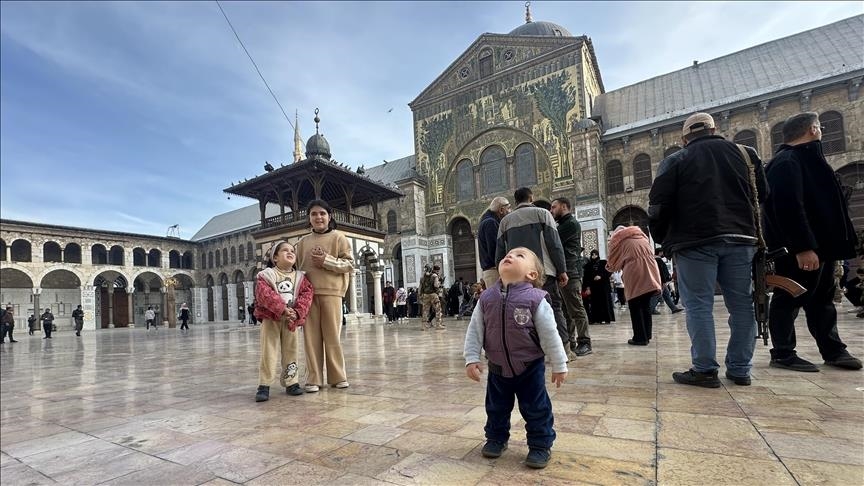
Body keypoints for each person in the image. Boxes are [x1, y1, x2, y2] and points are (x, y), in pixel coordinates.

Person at [649, 112, 766, 388]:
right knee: (741, 304)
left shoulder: (676, 159)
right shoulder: (745, 154)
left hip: (694, 242)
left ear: (684, 138)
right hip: (740, 237)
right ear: (715, 130)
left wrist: (663, 239)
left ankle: (704, 369)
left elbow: (657, 206)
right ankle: (740, 369)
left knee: (698, 305)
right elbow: (763, 194)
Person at [762, 112, 862, 371]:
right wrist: (802, 247)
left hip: (822, 247)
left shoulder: (809, 161)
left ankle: (833, 349)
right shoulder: (786, 162)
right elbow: (788, 208)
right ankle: (783, 352)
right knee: (789, 297)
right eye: (820, 127)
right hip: (799, 250)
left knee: (822, 299)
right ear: (813, 130)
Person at [464, 247, 567, 470]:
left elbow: (550, 335)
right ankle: (496, 438)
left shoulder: (535, 299)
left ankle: (540, 444)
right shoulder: (486, 298)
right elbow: (475, 330)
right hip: (498, 367)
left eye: (520, 255)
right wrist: (471, 358)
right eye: (507, 255)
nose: (509, 256)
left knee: (536, 407)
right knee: (496, 407)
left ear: (532, 274)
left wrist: (559, 364)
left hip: (530, 367)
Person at [495, 187, 569, 358]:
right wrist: (562, 270)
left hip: (517, 276)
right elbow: (555, 245)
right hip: (543, 273)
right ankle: (563, 350)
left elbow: (499, 253)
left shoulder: (505, 221)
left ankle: (528, 351)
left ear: (515, 201)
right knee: (554, 308)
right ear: (531, 198)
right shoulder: (542, 214)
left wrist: (503, 274)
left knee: (522, 311)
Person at [296, 199, 355, 393]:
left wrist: (327, 261)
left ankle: (338, 376)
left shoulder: (339, 238)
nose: (318, 217)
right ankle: (314, 378)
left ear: (330, 217)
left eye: (322, 213)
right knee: (310, 339)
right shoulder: (302, 243)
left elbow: (349, 264)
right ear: (309, 219)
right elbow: (295, 270)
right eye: (314, 214)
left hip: (332, 294)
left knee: (333, 337)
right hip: (308, 296)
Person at [253, 241, 314, 401]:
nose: (290, 252)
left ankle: (291, 382)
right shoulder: (267, 275)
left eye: (292, 250)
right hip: (271, 318)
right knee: (269, 351)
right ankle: (264, 385)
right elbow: (264, 294)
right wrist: (282, 308)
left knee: (291, 350)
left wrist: (297, 311)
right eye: (285, 250)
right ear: (275, 257)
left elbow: (307, 295)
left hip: (291, 320)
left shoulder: (301, 277)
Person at [606, 226, 662, 345]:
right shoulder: (641, 237)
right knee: (645, 305)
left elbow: (612, 264)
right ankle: (647, 334)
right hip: (651, 270)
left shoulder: (621, 241)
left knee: (635, 305)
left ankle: (640, 338)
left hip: (635, 271)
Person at [551, 197, 592, 356]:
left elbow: (553, 240)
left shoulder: (570, 224)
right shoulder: (563, 224)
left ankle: (585, 342)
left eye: (554, 207)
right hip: (564, 271)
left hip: (571, 272)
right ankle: (571, 341)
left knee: (576, 308)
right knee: (566, 310)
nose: (552, 210)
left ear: (564, 206)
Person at [478, 196, 512, 287]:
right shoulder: (491, 222)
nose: (510, 211)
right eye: (508, 208)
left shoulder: (488, 220)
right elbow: (495, 249)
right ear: (501, 210)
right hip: (494, 272)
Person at [583, 250, 615, 324]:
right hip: (594, 288)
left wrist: (601, 276)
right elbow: (586, 277)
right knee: (595, 303)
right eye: (592, 255)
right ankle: (597, 319)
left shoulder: (603, 263)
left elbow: (609, 271)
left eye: (595, 254)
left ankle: (607, 318)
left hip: (604, 287)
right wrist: (587, 287)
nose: (594, 256)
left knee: (605, 302)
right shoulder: (588, 265)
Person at [419, 264, 445, 330]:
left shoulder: (422, 278)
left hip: (425, 295)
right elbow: (436, 285)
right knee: (438, 309)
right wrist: (440, 283)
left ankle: (424, 326)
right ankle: (438, 324)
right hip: (433, 295)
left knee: (425, 311)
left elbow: (420, 288)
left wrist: (420, 295)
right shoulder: (434, 276)